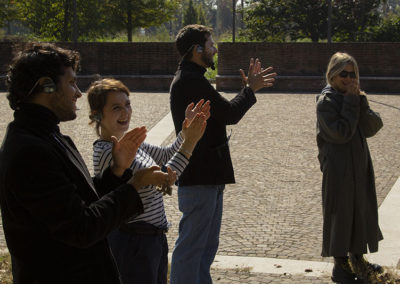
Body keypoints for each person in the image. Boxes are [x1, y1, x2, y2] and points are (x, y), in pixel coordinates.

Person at [0, 42, 176, 284]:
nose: (78, 93)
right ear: (46, 85)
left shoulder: (50, 137)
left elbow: (80, 202)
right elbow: (81, 228)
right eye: (71, 82)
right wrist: (134, 184)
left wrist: (117, 170)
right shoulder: (29, 151)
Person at [169, 24, 277, 284]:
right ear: (197, 50)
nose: (215, 49)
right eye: (210, 44)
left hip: (207, 175)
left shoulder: (192, 77)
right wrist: (250, 89)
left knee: (205, 248)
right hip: (199, 176)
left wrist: (248, 90)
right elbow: (229, 113)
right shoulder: (190, 80)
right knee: (193, 248)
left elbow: (221, 112)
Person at [87, 78, 209, 284]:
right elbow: (162, 182)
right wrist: (191, 143)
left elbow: (166, 154)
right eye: (116, 107)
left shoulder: (130, 142)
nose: (125, 112)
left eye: (127, 104)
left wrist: (185, 132)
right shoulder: (108, 152)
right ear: (97, 114)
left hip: (151, 239)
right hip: (134, 241)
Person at [316, 52, 384, 283]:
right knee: (340, 213)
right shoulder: (326, 102)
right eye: (343, 73)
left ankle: (358, 258)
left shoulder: (352, 96)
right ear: (333, 74)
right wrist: (351, 102)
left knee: (360, 210)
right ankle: (340, 264)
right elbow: (341, 133)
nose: (347, 78)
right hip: (338, 168)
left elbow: (373, 126)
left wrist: (360, 101)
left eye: (352, 74)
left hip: (359, 164)